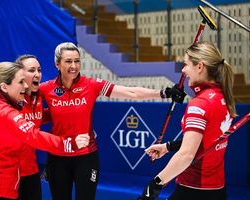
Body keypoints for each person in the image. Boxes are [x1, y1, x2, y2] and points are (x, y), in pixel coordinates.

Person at [39, 42, 186, 200]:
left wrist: (164, 93)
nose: (74, 66)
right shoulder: (45, 89)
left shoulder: (91, 85)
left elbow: (130, 92)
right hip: (58, 158)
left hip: (86, 156)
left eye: (77, 61)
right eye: (68, 61)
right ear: (57, 63)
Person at [0, 61, 90, 200]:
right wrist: (70, 144)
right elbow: (34, 135)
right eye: (21, 81)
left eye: (39, 70)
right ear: (4, 87)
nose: (26, 85)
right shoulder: (7, 112)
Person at [137, 42, 237, 200]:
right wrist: (168, 147)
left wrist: (155, 185)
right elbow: (207, 139)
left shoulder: (200, 103)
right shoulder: (222, 96)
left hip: (193, 189)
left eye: (186, 64)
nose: (183, 70)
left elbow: (186, 155)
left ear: (200, 67)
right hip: (217, 190)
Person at [14, 54, 45, 200]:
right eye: (32, 70)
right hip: (11, 173)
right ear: (19, 74)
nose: (37, 74)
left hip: (32, 171)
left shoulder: (39, 96)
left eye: (39, 70)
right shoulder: (10, 98)